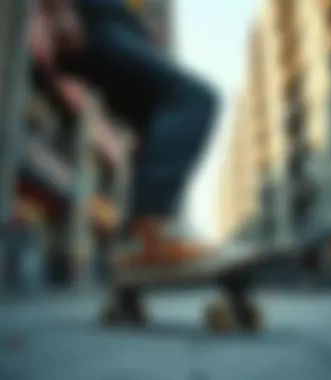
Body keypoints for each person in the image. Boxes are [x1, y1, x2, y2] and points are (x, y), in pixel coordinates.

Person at [47, 0, 219, 267]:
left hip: (120, 26)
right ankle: (152, 226)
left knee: (156, 128)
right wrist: (62, 10)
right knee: (193, 98)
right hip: (96, 18)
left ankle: (139, 242)